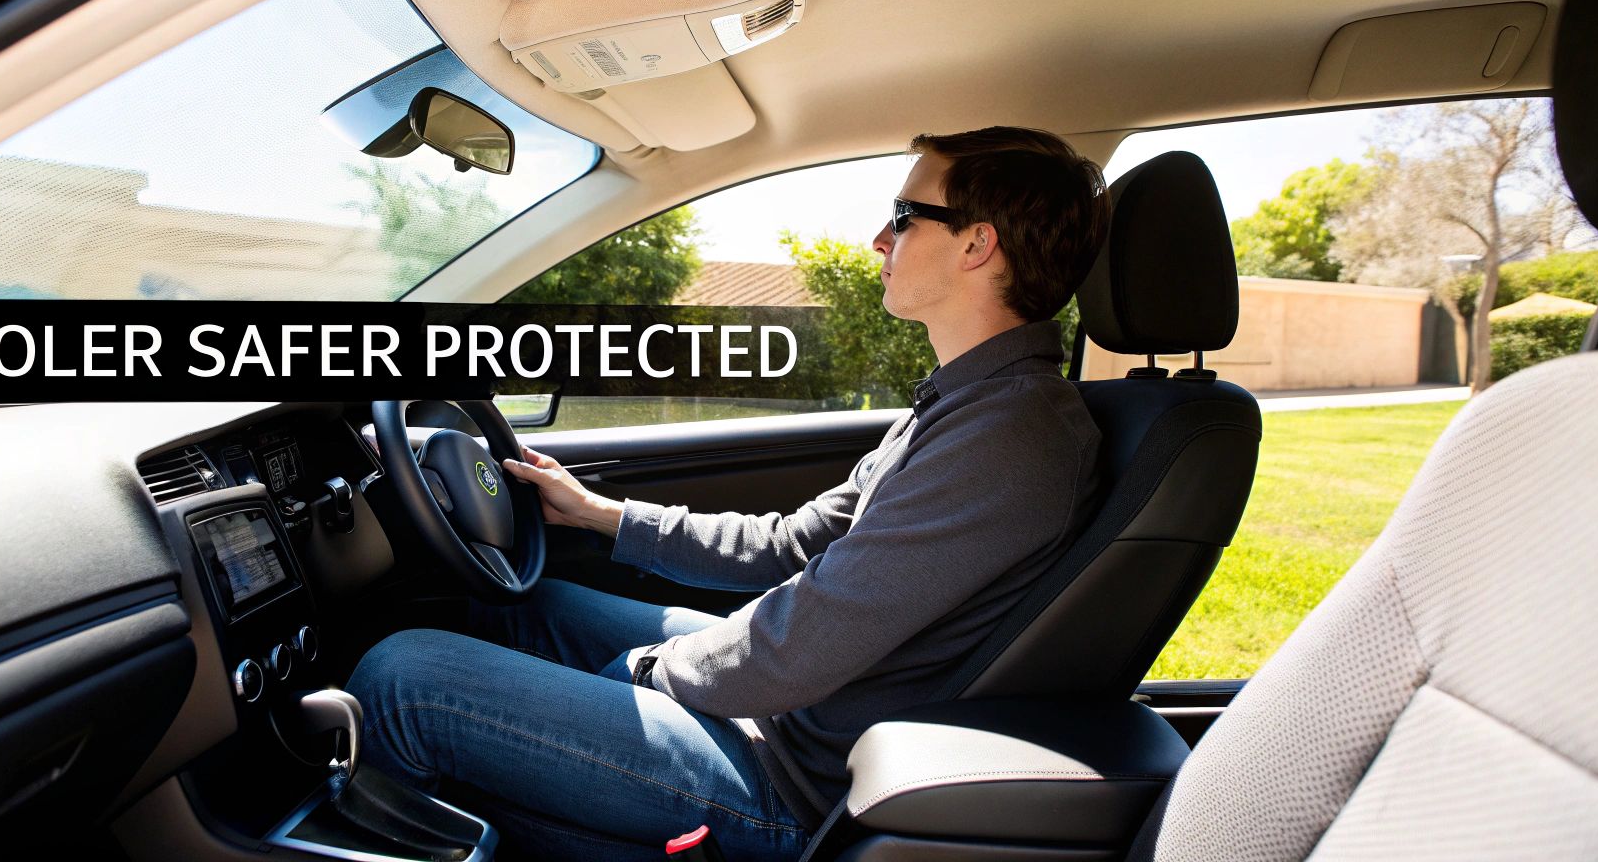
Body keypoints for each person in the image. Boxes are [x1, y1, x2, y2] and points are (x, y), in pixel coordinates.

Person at [347, 127, 1112, 862]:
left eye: (905, 217)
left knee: (402, 680)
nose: (881, 238)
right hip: (789, 714)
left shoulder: (1009, 440)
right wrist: (602, 515)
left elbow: (800, 647)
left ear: (978, 244)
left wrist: (650, 671)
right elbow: (791, 549)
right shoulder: (971, 405)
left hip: (788, 784)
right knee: (517, 608)